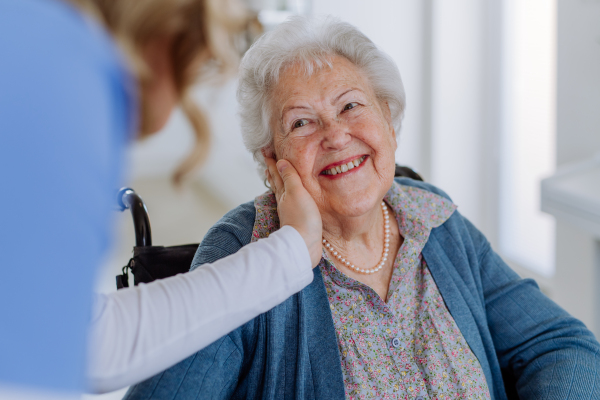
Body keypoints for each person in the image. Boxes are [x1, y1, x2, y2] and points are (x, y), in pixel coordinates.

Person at [124, 16, 600, 400]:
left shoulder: (434, 220)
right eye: (302, 122)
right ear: (272, 163)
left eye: (351, 106)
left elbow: (561, 345)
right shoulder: (245, 246)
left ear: (389, 125)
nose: (334, 134)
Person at [0, 0, 322, 399]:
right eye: (198, 65)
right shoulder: (59, 69)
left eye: (352, 106)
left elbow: (69, 334)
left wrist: (289, 253)